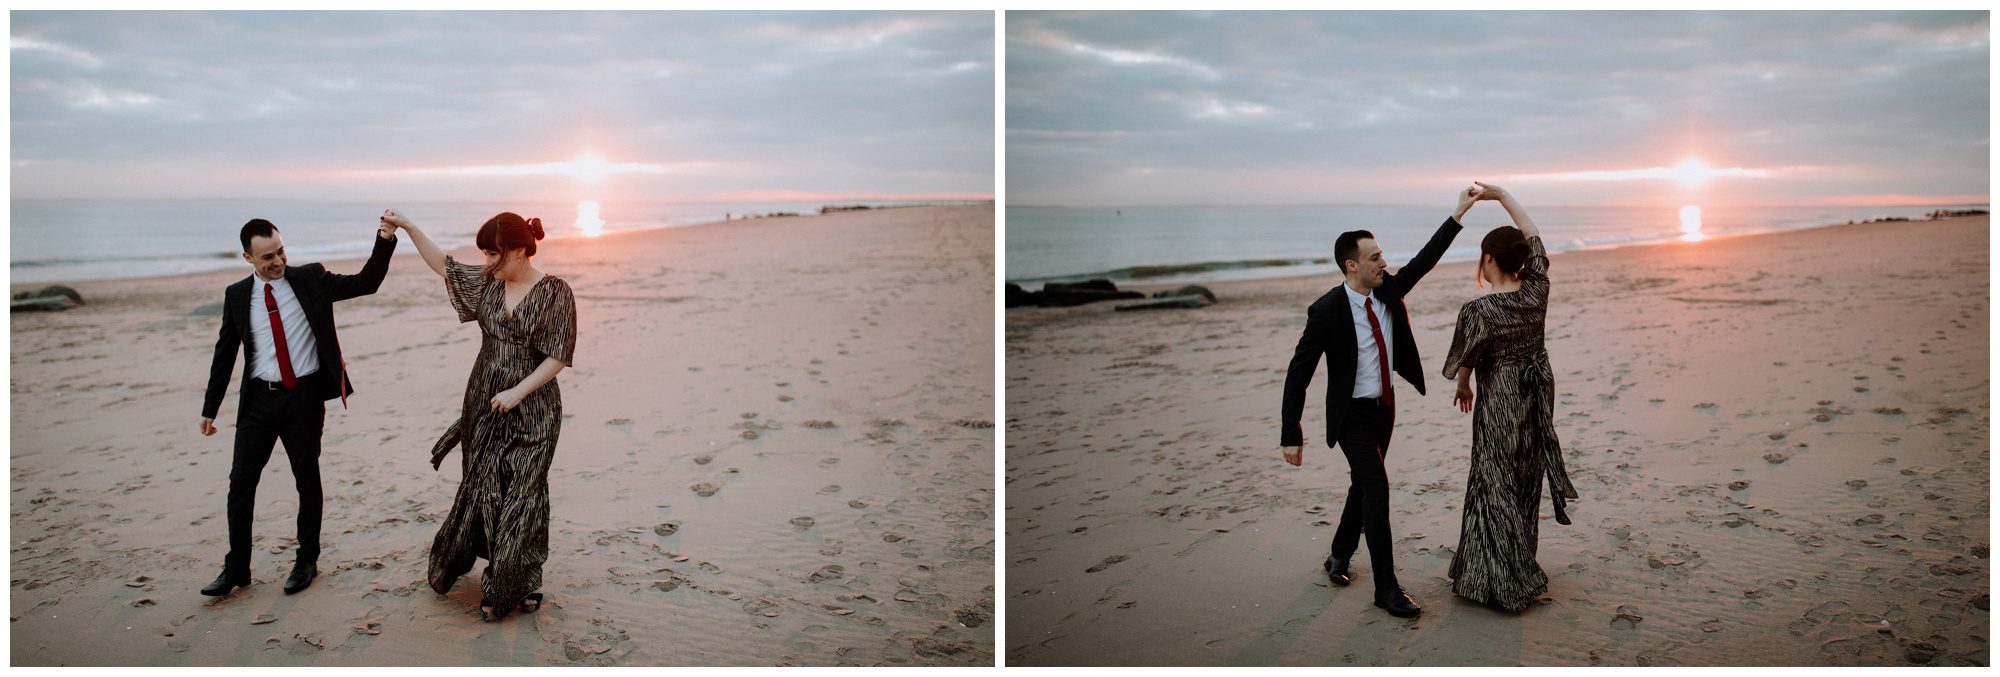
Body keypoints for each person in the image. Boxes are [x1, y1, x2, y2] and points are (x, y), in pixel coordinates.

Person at [1279, 186, 1478, 619]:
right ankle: (1386, 588)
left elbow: (1426, 259)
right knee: (1376, 488)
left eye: (1382, 255)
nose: (1383, 263)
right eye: (1375, 258)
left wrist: (1458, 212)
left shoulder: (1388, 290)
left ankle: (1338, 555)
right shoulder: (1326, 311)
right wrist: (1291, 433)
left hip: (1384, 409)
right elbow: (1300, 371)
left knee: (1362, 485)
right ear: (1352, 265)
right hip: (1350, 415)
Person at [378, 208, 576, 621]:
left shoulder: (556, 292)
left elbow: (558, 356)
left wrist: (518, 392)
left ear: (520, 250)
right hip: (483, 402)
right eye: (483, 254)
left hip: (534, 410)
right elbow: (445, 268)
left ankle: (511, 585)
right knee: (485, 488)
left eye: (493, 254)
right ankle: (502, 576)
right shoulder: (488, 283)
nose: (485, 263)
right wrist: (411, 227)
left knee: (523, 496)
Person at [199, 217, 399, 596]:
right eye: (267, 257)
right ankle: (236, 569)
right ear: (247, 257)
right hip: (258, 400)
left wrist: (384, 238)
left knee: (306, 478)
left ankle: (307, 560)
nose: (277, 261)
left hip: (303, 398)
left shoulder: (310, 279)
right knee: (240, 484)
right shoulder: (237, 295)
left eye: (281, 251)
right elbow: (225, 354)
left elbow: (367, 282)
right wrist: (211, 407)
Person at [1441, 182, 1578, 613]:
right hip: (1537, 393)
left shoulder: (1479, 310)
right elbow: (1534, 235)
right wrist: (1501, 195)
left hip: (1500, 396)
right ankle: (1515, 565)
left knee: (1491, 479)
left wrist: (1464, 384)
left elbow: (1467, 358)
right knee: (1522, 478)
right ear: (1520, 259)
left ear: (1487, 259)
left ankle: (1497, 579)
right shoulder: (1536, 291)